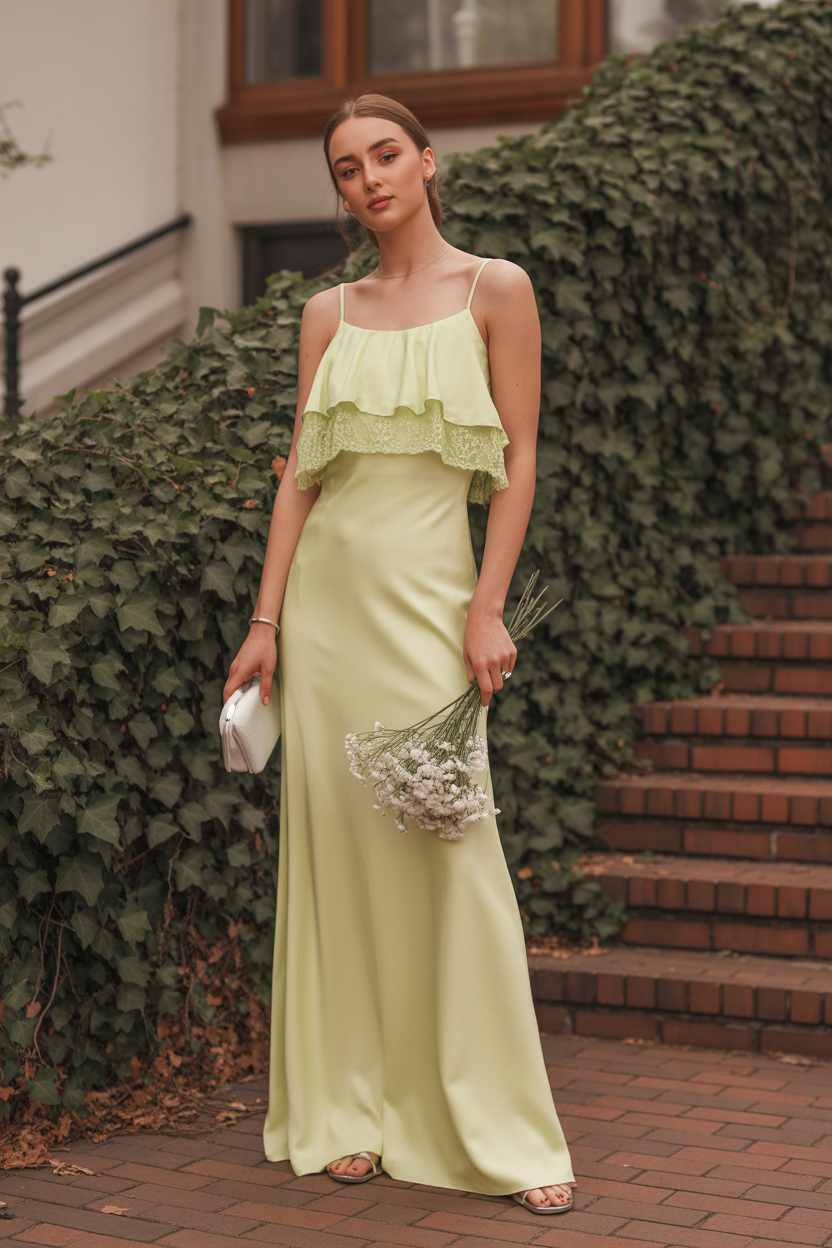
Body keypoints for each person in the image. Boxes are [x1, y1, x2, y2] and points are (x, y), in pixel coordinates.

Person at [222, 92, 574, 1215]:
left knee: (452, 860)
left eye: (385, 155)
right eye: (345, 168)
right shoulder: (326, 314)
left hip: (428, 611)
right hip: (324, 620)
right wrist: (266, 621)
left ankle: (503, 1130)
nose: (368, 178)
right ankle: (349, 1104)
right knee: (338, 866)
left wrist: (486, 608)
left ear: (427, 162)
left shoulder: (495, 289)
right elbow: (299, 477)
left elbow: (515, 466)